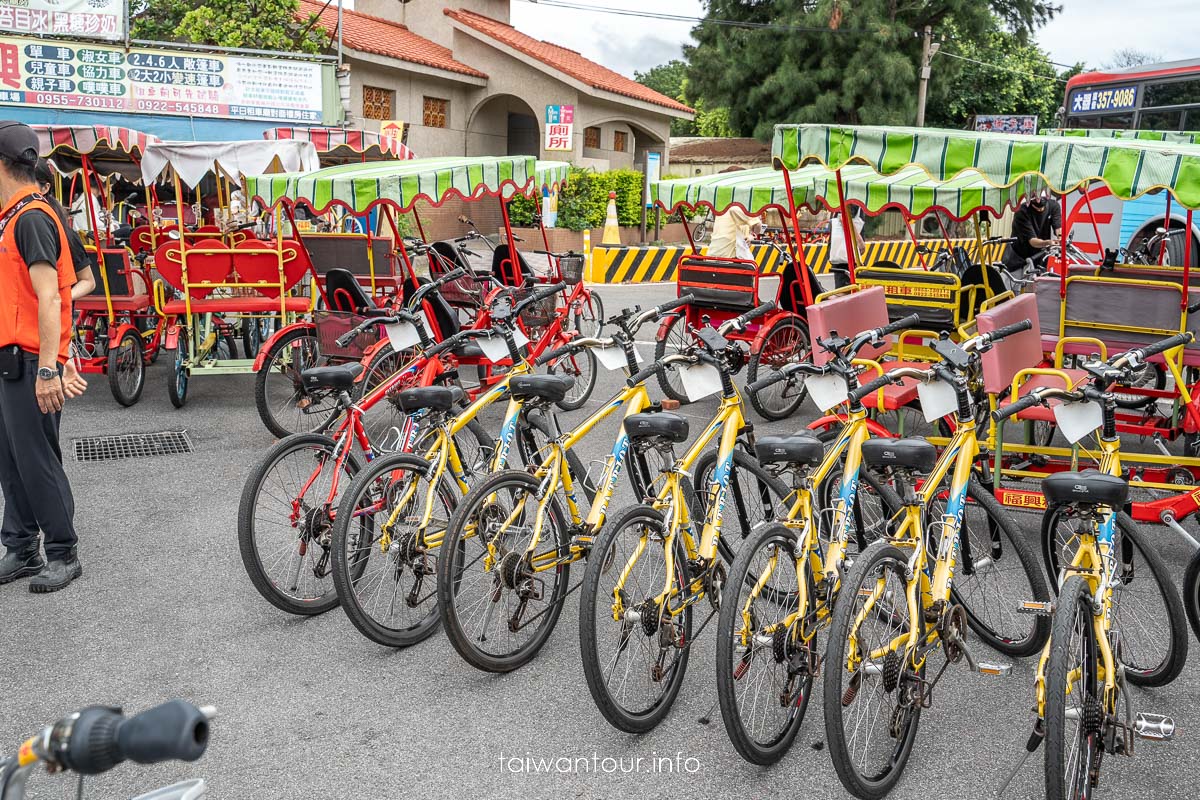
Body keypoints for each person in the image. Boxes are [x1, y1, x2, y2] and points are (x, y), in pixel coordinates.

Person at [0, 121, 86, 593]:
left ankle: (61, 551)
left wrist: (51, 367)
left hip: (32, 359)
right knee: (10, 460)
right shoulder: (14, 216)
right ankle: (19, 546)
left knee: (36, 459)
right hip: (13, 358)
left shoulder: (30, 217)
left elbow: (50, 297)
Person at [35, 160, 95, 300]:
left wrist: (60, 299)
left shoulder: (64, 234)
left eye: (29, 182)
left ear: (45, 188)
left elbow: (88, 281)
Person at [1003, 192, 1062, 274]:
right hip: (1018, 256)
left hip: (1039, 255)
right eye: (1037, 207)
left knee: (1038, 282)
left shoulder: (1054, 206)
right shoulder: (1022, 211)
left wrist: (1060, 238)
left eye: (1042, 209)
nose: (1040, 209)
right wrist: (1048, 242)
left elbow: (1058, 228)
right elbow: (1033, 241)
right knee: (1016, 283)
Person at [828, 207, 865, 289]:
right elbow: (843, 218)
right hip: (846, 259)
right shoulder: (853, 198)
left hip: (843, 258)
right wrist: (859, 240)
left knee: (846, 290)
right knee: (846, 291)